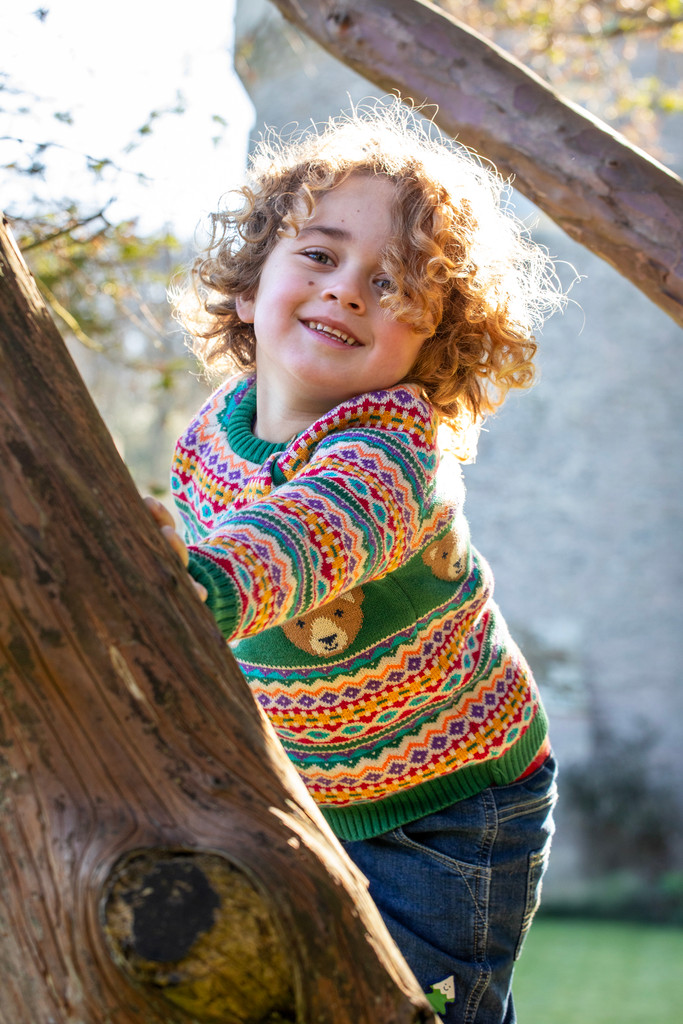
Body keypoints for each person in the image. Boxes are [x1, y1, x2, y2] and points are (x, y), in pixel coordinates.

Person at [148, 100, 563, 1024]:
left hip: (450, 813)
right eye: (321, 255)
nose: (346, 291)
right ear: (254, 276)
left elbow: (303, 538)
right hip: (312, 785)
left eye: (392, 284)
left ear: (433, 340)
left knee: (387, 1006)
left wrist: (187, 586)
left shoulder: (390, 452)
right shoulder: (211, 438)